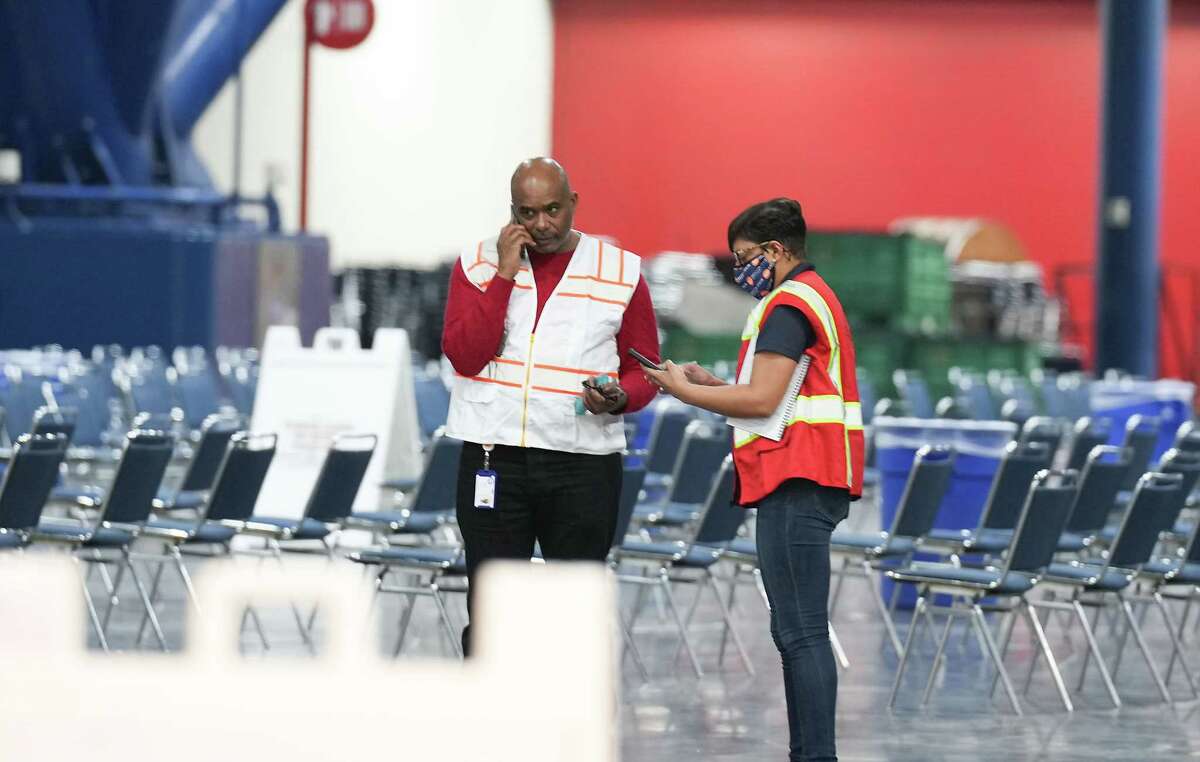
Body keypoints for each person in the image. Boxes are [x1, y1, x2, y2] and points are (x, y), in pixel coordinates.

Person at [643, 198, 863, 762]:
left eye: (745, 258)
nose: (742, 271)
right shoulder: (810, 296)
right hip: (810, 477)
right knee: (799, 631)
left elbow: (763, 399)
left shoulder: (788, 305)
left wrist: (678, 388)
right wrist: (713, 383)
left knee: (802, 633)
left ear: (775, 250)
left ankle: (815, 756)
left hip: (798, 478)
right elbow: (780, 398)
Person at [441, 157, 661, 656]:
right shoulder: (476, 263)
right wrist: (502, 275)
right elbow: (465, 354)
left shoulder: (619, 272)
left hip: (581, 464)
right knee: (493, 609)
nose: (542, 224)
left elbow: (644, 370)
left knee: (575, 610)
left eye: (553, 209)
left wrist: (621, 397)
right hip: (494, 460)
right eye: (529, 212)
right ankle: (494, 722)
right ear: (512, 212)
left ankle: (570, 724)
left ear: (574, 204)